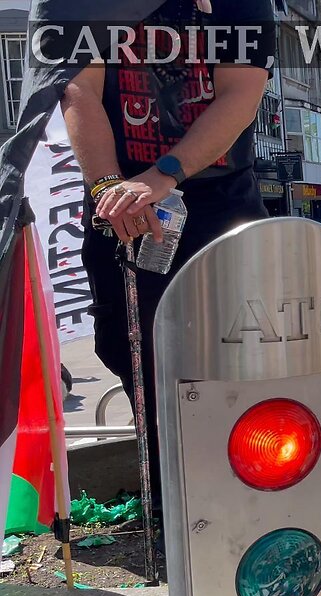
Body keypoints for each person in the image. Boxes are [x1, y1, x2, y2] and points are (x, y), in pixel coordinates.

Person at [69, 0, 275, 510]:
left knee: (244, 351)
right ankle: (169, 498)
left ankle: (256, 493)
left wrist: (163, 175)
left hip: (219, 195)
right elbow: (78, 89)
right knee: (129, 348)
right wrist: (107, 186)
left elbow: (241, 91)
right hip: (117, 194)